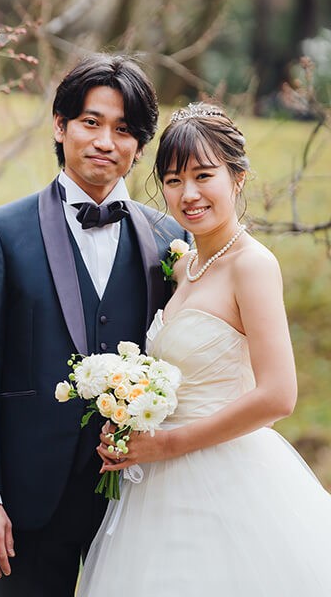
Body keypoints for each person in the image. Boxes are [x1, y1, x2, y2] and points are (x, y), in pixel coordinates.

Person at [0, 54, 189, 596]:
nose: (106, 141)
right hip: (30, 498)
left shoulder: (171, 238)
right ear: (60, 126)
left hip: (141, 493)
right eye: (91, 122)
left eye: (124, 130)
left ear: (140, 146)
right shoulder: (0, 232)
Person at [77, 102, 331, 594]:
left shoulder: (253, 266)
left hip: (226, 474)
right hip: (152, 483)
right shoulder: (182, 266)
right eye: (173, 180)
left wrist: (167, 443)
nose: (187, 194)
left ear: (237, 178)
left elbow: (279, 396)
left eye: (203, 175)